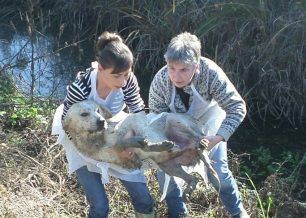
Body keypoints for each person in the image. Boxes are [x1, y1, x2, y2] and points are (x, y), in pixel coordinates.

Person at [52, 31, 154, 218]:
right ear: (100, 69)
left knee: (144, 200)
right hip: (81, 140)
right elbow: (69, 127)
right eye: (116, 76)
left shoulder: (127, 80)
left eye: (126, 74)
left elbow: (137, 109)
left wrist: (131, 137)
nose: (123, 82)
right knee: (100, 206)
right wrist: (112, 150)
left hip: (113, 130)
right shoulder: (81, 88)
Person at [149, 32, 249, 218]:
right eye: (171, 68)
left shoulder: (211, 74)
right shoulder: (160, 81)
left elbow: (237, 107)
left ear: (196, 66)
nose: (176, 76)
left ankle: (238, 212)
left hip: (209, 125)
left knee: (217, 170)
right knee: (164, 169)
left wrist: (217, 139)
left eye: (184, 70)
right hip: (175, 130)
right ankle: (178, 212)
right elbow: (156, 120)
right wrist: (169, 147)